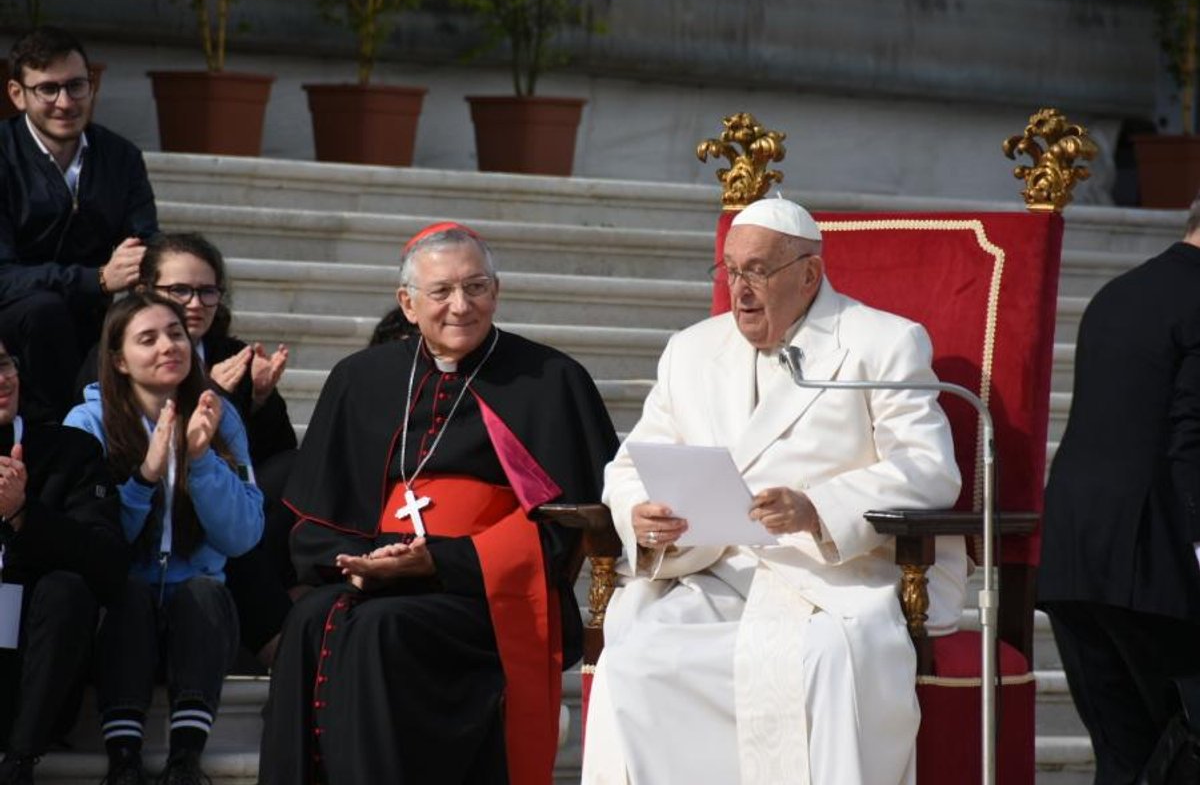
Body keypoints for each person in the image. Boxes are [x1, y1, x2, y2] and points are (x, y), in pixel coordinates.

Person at [581, 197, 968, 785]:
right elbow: (631, 462)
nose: (740, 289)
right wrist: (641, 512)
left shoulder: (881, 342)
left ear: (809, 273)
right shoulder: (690, 350)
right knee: (636, 659)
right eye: (731, 270)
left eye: (758, 271)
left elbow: (928, 468)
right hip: (715, 572)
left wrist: (819, 510)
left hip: (832, 580)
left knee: (818, 664)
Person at [259, 222, 618, 785]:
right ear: (407, 303)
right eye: (441, 291)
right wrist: (361, 565)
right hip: (378, 574)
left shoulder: (551, 380)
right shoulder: (361, 378)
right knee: (310, 617)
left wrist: (440, 561)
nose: (461, 305)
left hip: (491, 591)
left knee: (384, 628)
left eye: (476, 287)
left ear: (496, 292)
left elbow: (567, 527)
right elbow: (318, 517)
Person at [64, 293, 264, 785]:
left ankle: (185, 761)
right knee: (126, 595)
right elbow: (93, 546)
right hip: (118, 612)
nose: (167, 346)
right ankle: (125, 760)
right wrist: (146, 475)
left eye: (175, 334)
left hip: (196, 616)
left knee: (204, 591)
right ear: (118, 359)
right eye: (147, 339)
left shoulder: (220, 417)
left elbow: (243, 536)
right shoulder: (87, 424)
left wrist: (200, 462)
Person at [1038, 198, 1200, 784]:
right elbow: (1190, 440)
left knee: (1125, 755)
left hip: (1076, 556)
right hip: (1158, 562)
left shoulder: (1118, 293)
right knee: (1182, 753)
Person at [0, 26, 157, 423]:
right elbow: (3, 276)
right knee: (45, 312)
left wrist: (145, 268)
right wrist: (98, 279)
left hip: (93, 317)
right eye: (48, 89)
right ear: (17, 94)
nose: (65, 102)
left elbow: (145, 240)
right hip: (19, 318)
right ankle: (65, 435)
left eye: (76, 86)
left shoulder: (121, 157)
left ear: (93, 85)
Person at [0, 341, 125, 785]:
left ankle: (19, 762)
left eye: (4, 363)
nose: (1, 379)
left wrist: (23, 514)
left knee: (66, 589)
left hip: (29, 664)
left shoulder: (70, 450)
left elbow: (109, 564)